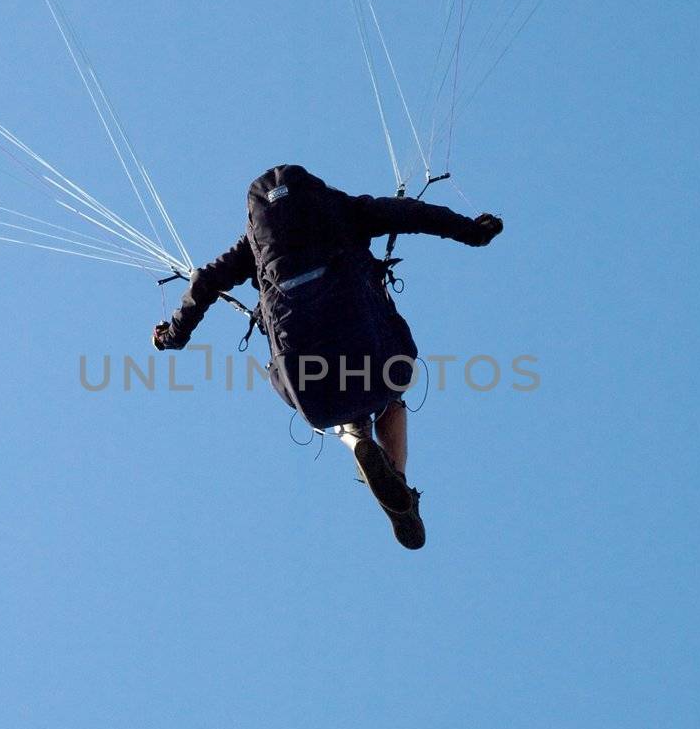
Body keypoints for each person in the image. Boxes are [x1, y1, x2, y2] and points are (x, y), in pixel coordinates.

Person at [153, 165, 502, 549]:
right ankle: (396, 477)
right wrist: (472, 231)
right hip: (368, 346)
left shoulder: (249, 249)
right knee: (390, 394)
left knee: (343, 406)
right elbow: (412, 215)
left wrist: (174, 335)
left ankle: (356, 441)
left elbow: (203, 283)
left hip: (308, 379)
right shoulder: (345, 210)